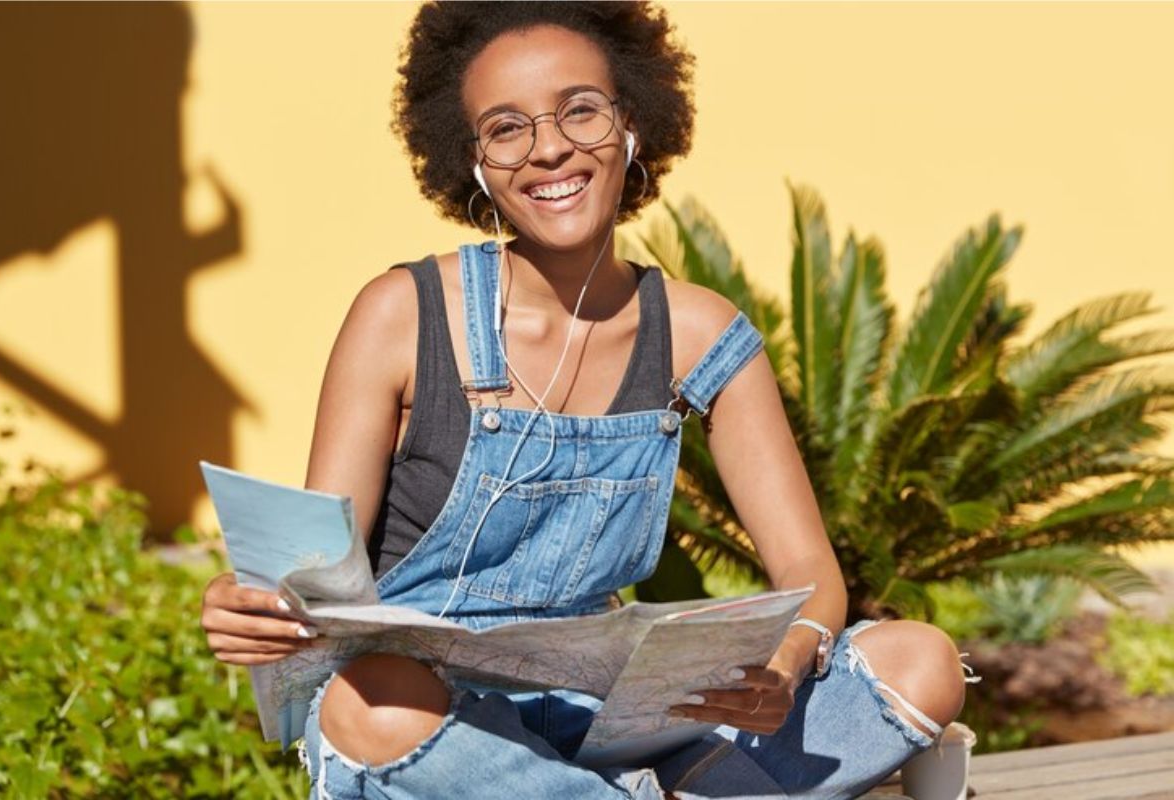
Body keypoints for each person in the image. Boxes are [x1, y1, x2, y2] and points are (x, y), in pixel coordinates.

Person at [199, 3, 977, 797]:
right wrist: (250, 608)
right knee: (376, 699)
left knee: (918, 662)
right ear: (472, 161)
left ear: (631, 126)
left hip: (614, 722)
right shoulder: (400, 314)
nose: (550, 149)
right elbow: (312, 583)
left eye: (580, 110)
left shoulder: (700, 334)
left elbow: (813, 573)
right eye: (506, 128)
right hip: (438, 739)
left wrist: (780, 664)